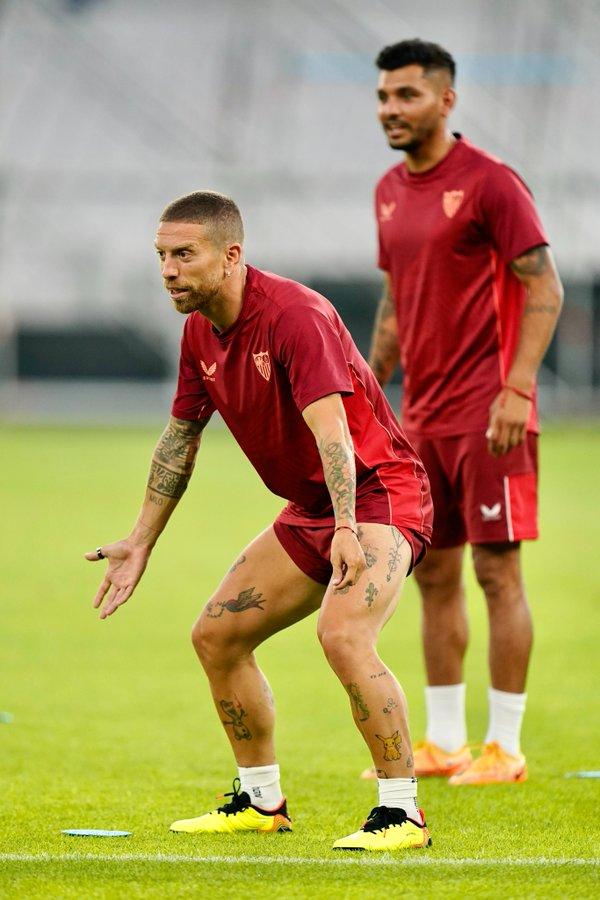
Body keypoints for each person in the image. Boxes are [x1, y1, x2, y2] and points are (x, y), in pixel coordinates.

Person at [85, 191, 434, 851]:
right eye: (161, 255)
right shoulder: (198, 333)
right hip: (314, 508)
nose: (168, 270)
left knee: (343, 634)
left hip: (378, 493)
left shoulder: (296, 316)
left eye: (184, 254)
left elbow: (335, 434)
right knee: (217, 636)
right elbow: (178, 443)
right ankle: (260, 799)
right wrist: (140, 541)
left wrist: (347, 526)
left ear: (231, 255)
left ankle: (402, 812)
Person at [362, 39, 563, 785]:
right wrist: (368, 383)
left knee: (497, 573)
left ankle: (503, 747)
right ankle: (443, 741)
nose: (391, 110)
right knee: (432, 575)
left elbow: (545, 288)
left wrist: (516, 389)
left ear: (446, 101)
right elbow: (395, 299)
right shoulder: (386, 189)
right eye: (384, 97)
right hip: (423, 416)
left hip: (491, 412)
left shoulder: (490, 183)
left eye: (406, 96)